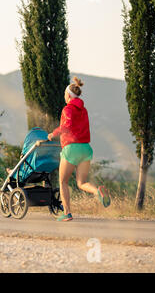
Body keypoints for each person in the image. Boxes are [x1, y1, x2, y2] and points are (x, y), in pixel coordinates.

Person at [48, 77, 110, 222]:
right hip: (86, 148)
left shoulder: (67, 108)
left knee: (63, 182)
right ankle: (97, 192)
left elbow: (67, 126)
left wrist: (54, 133)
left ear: (69, 95)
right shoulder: (84, 110)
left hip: (72, 148)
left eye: (65, 94)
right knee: (81, 183)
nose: (64, 96)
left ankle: (67, 213)